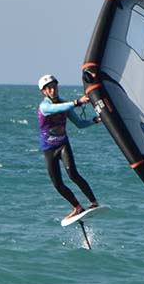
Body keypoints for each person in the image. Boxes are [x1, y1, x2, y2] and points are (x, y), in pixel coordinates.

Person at [37, 73, 102, 221]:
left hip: (63, 145)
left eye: (54, 87)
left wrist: (96, 120)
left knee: (73, 173)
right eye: (49, 89)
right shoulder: (45, 107)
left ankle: (93, 202)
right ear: (44, 92)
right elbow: (56, 109)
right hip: (49, 149)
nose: (53, 91)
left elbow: (80, 124)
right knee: (57, 184)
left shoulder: (65, 105)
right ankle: (77, 207)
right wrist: (77, 102)